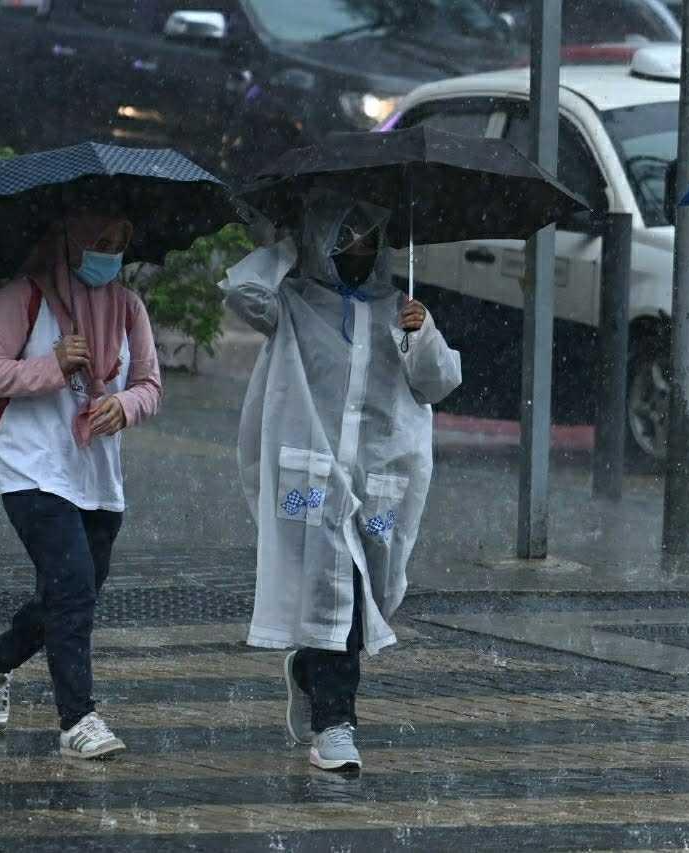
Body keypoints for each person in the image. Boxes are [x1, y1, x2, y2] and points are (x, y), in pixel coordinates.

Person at [219, 187, 462, 771]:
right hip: (312, 479)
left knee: (372, 593)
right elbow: (241, 291)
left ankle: (307, 669)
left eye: (368, 235)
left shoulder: (398, 311)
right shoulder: (293, 302)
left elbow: (439, 383)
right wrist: (288, 248)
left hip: (380, 484)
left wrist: (422, 332)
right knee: (338, 591)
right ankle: (335, 725)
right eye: (343, 233)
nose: (358, 246)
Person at [0, 211, 162, 760]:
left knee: (68, 595)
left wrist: (124, 406)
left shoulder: (128, 307)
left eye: (120, 242)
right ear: (68, 238)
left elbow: (150, 384)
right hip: (32, 467)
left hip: (97, 478)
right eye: (100, 239)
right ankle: (78, 719)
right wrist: (51, 366)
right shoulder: (22, 295)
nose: (110, 252)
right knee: (73, 587)